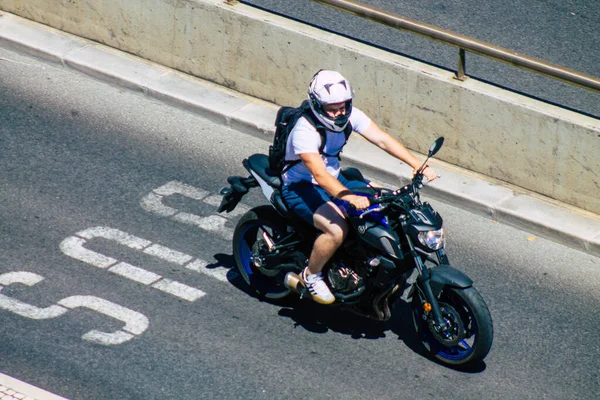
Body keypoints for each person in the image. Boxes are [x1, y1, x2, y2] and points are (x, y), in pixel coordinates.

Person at [281, 70, 438, 304]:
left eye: (344, 105)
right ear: (316, 104)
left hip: (336, 178)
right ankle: (311, 275)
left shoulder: (350, 116)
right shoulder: (305, 130)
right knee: (337, 230)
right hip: (301, 186)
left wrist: (418, 165)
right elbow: (319, 175)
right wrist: (349, 197)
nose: (340, 112)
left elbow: (382, 139)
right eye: (332, 108)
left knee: (384, 206)